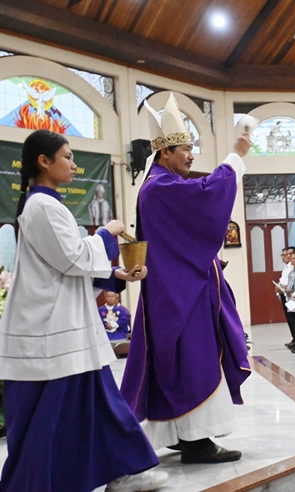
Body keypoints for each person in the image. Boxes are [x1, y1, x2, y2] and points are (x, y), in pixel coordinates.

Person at [0, 129, 167, 491]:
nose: (75, 165)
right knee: (51, 419)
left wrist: (116, 275)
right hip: (51, 335)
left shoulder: (47, 204)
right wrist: (107, 233)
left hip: (67, 330)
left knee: (101, 407)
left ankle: (123, 472)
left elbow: (64, 269)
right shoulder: (41, 205)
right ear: (44, 162)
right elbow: (74, 258)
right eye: (68, 157)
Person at [120, 93, 251, 463]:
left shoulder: (158, 184)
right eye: (185, 150)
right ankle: (196, 440)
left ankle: (183, 434)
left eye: (192, 148)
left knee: (178, 361)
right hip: (180, 296)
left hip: (177, 290)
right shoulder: (160, 186)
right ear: (165, 153)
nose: (191, 156)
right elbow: (206, 195)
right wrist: (235, 156)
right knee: (193, 360)